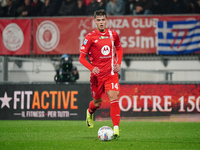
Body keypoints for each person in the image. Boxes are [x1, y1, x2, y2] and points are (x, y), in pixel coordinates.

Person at [79, 9, 123, 138]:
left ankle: (116, 129)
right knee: (97, 103)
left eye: (103, 19)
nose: (101, 22)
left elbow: (119, 48)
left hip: (111, 73)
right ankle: (89, 112)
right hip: (97, 76)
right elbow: (81, 58)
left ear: (106, 20)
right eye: (98, 20)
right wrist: (92, 68)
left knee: (114, 96)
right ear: (95, 22)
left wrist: (118, 63)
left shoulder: (113, 34)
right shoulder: (90, 37)